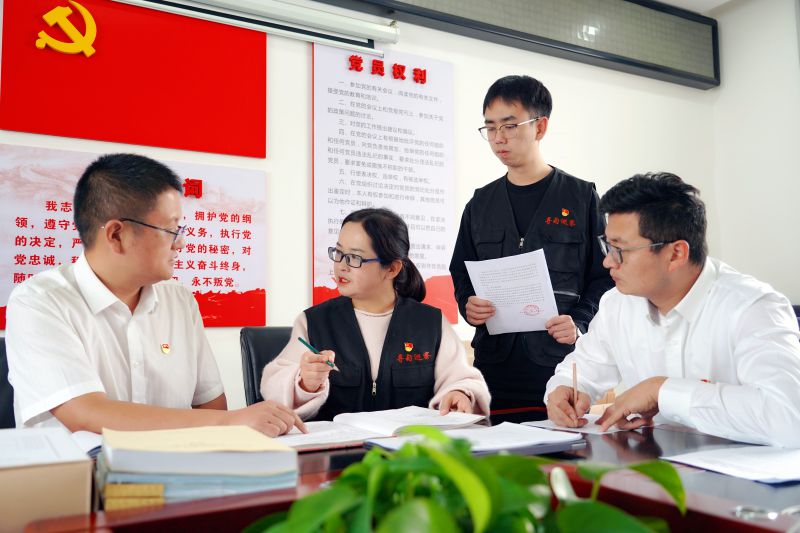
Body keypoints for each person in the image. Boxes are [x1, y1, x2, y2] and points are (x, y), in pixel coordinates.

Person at [6, 153, 305, 437]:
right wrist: (231, 422)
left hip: (175, 468)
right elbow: (85, 413)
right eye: (170, 230)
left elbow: (210, 405)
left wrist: (229, 423)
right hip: (80, 473)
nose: (181, 243)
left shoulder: (179, 301)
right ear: (116, 235)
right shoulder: (39, 302)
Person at [545, 172, 800, 447]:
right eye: (607, 246)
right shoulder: (618, 303)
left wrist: (661, 390)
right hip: (653, 464)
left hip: (742, 471)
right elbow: (582, 370)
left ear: (676, 253)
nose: (608, 262)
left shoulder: (753, 307)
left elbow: (789, 417)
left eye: (620, 250)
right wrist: (565, 390)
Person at [449, 75, 612, 420]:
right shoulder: (480, 204)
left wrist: (579, 322)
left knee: (561, 448)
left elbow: (605, 276)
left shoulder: (581, 198)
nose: (498, 138)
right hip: (495, 367)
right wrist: (468, 304)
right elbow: (461, 271)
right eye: (490, 127)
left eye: (509, 126)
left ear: (540, 127)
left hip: (560, 366)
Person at [261, 208, 490, 420]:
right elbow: (273, 388)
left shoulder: (430, 323)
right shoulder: (313, 322)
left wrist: (460, 393)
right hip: (337, 447)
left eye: (354, 257)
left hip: (408, 446)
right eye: (338, 253)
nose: (341, 266)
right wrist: (304, 383)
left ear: (392, 268)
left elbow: (461, 379)